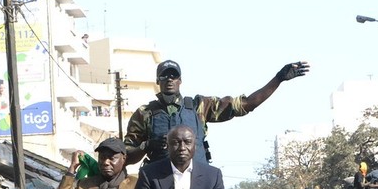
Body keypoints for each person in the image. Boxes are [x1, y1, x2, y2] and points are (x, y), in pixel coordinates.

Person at [124, 59, 309, 166]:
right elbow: (125, 155)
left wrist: (278, 79)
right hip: (160, 187)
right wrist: (147, 145)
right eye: (164, 76)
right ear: (158, 80)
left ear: (180, 80)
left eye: (173, 75)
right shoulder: (145, 114)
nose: (169, 80)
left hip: (197, 183)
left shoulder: (199, 106)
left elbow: (245, 105)